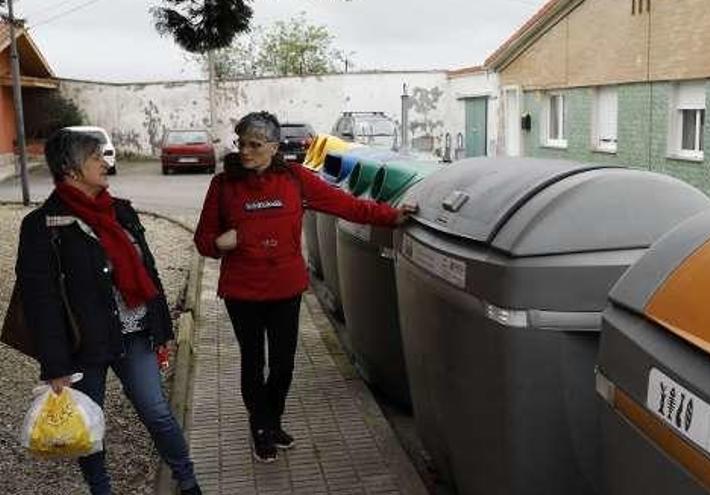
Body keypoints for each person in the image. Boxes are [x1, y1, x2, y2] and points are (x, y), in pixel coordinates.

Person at [194, 111, 414, 463]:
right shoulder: (224, 186)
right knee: (253, 363)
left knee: (283, 364)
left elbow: (346, 205)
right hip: (243, 292)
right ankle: (261, 428)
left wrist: (391, 215)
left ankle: (272, 419)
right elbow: (203, 240)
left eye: (255, 145)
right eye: (241, 143)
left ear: (274, 147)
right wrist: (221, 243)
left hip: (285, 290)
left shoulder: (294, 178)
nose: (245, 151)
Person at [16, 129, 201, 495]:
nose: (104, 162)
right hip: (84, 346)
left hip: (134, 333)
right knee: (89, 423)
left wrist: (160, 327)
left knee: (157, 412)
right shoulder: (41, 226)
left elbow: (148, 272)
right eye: (95, 157)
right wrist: (56, 366)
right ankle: (101, 489)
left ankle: (187, 479)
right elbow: (42, 302)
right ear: (70, 169)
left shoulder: (120, 210)